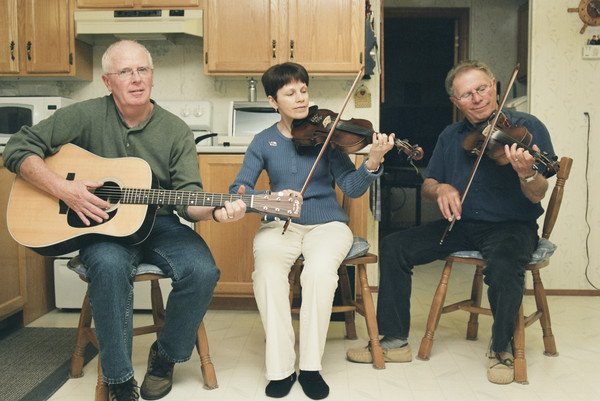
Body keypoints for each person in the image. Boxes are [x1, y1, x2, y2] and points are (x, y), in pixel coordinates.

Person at [2, 40, 246, 401]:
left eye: (143, 70)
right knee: (110, 266)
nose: (136, 79)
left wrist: (216, 210)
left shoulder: (175, 129)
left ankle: (165, 356)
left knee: (203, 270)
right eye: (125, 71)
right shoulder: (84, 115)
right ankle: (118, 380)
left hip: (160, 223)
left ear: (152, 76)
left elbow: (188, 199)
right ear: (107, 81)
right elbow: (17, 148)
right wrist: (64, 190)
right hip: (103, 228)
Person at [346, 60, 555, 385]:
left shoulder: (526, 127)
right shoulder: (451, 135)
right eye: (467, 94)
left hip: (512, 226)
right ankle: (394, 341)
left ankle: (501, 348)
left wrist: (527, 174)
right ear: (456, 102)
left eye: (481, 88)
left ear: (495, 85)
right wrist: (441, 188)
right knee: (395, 246)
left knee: (503, 267)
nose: (477, 98)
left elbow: (537, 194)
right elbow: (428, 185)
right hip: (461, 225)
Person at [229, 62, 395, 400]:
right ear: (273, 101)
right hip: (280, 223)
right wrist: (272, 200)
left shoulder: (327, 136)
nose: (301, 98)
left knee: (319, 274)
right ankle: (280, 369)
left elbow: (351, 188)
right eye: (290, 93)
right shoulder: (263, 142)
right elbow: (238, 192)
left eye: (303, 90)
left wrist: (373, 161)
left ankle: (310, 367)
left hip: (328, 224)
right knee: (266, 275)